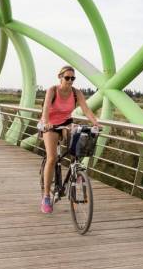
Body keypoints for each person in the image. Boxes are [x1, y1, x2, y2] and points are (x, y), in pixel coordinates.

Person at [39, 65, 99, 214]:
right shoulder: (52, 90)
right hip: (50, 124)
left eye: (73, 78)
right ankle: (47, 196)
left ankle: (75, 171)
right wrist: (46, 123)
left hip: (66, 122)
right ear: (60, 77)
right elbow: (46, 108)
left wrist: (96, 123)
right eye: (67, 78)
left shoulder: (76, 93)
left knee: (78, 141)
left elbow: (86, 109)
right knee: (52, 158)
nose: (70, 80)